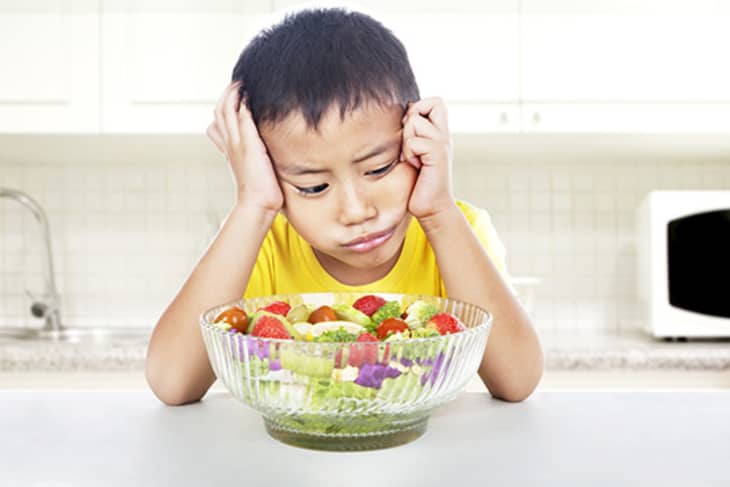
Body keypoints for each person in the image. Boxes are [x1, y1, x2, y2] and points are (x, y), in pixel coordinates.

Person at [145, 7, 543, 406]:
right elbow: (172, 382)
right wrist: (253, 204)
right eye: (314, 186)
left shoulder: (459, 228)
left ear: (416, 133)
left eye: (379, 168)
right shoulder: (261, 245)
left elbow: (518, 379)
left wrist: (439, 213)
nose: (356, 211)